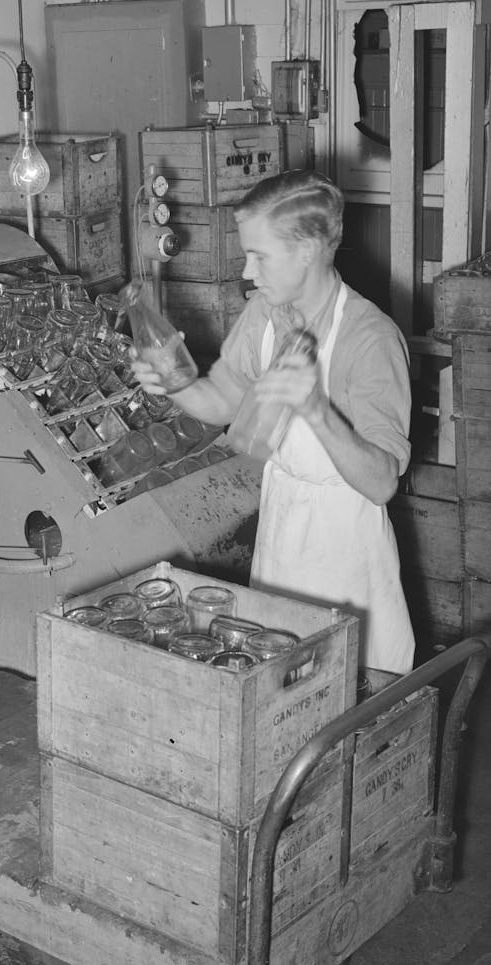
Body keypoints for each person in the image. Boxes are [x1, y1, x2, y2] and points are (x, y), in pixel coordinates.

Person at [132, 169, 415, 675]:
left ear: (306, 250)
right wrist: (174, 384)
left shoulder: (370, 339)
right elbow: (224, 402)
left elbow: (381, 483)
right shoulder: (266, 312)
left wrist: (316, 409)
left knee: (345, 696)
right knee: (278, 684)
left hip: (344, 550)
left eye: (259, 255)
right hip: (281, 530)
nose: (247, 270)